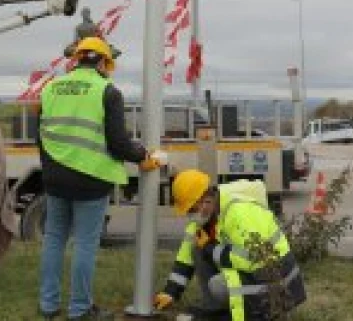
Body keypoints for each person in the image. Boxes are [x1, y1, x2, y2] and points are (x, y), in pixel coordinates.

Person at [37, 37, 162, 320]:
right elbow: (118, 143)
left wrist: (50, 169)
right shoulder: (107, 91)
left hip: (55, 177)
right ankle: (80, 309)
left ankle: (48, 306)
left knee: (54, 239)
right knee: (84, 243)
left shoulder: (51, 88)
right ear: (104, 63)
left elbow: (41, 136)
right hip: (90, 180)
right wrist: (142, 156)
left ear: (77, 59)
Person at [153, 171, 307, 321]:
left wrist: (211, 248)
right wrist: (170, 292)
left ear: (206, 199)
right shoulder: (205, 218)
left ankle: (246, 313)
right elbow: (185, 257)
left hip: (276, 282)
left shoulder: (239, 212)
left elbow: (252, 258)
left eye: (192, 209)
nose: (191, 215)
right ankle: (214, 309)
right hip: (258, 275)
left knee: (218, 284)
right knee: (197, 248)